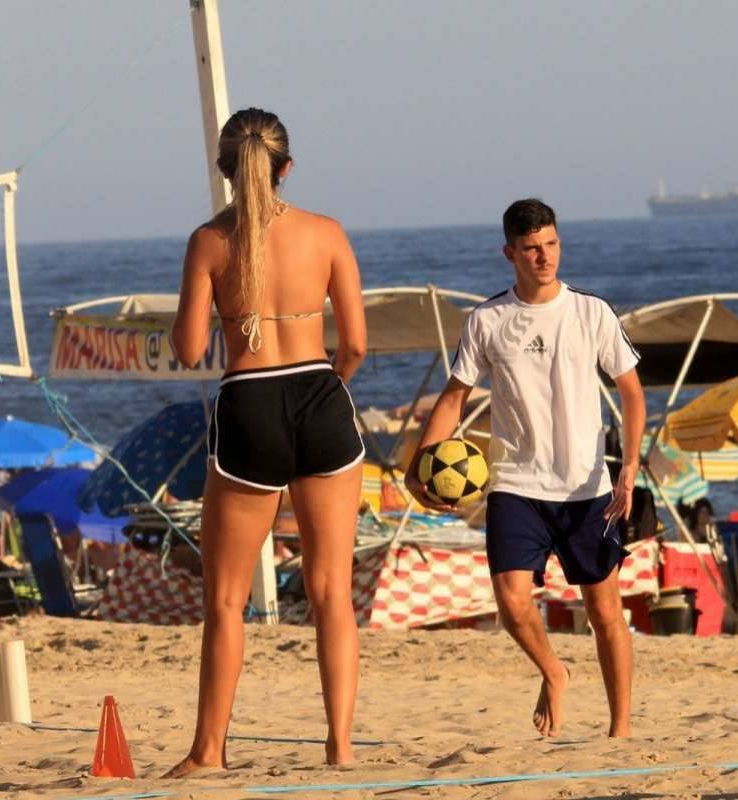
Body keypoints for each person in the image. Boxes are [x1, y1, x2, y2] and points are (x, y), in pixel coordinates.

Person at [164, 108, 367, 776]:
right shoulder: (327, 233)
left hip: (251, 402)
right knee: (331, 589)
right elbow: (358, 345)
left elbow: (191, 348)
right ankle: (339, 748)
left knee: (225, 599)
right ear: (287, 167)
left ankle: (209, 752)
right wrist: (322, 387)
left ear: (225, 170)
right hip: (318, 397)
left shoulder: (209, 241)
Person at [406, 199, 645, 739]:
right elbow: (453, 397)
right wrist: (417, 468)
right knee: (512, 603)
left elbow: (631, 394)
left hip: (588, 486)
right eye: (533, 248)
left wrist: (628, 468)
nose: (544, 257)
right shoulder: (488, 319)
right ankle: (554, 670)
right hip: (515, 481)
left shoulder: (592, 312)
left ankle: (620, 729)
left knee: (605, 610)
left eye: (552, 244)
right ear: (510, 252)